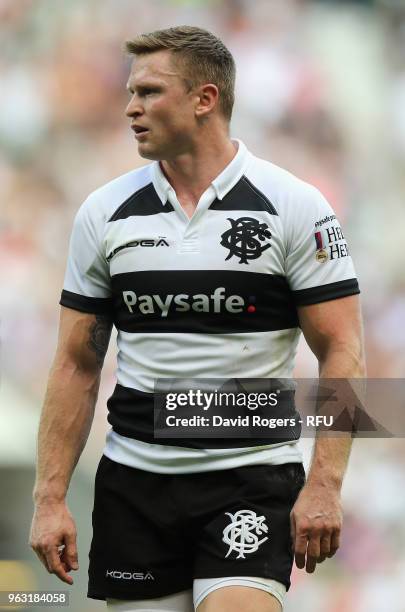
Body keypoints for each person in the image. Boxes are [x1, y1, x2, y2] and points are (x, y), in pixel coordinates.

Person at [30, 25, 365, 612]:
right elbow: (75, 363)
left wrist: (325, 484)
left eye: (150, 92)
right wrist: (50, 495)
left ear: (204, 100)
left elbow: (344, 350)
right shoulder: (104, 214)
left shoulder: (295, 206)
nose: (131, 108)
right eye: (131, 93)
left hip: (251, 476)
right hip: (135, 481)